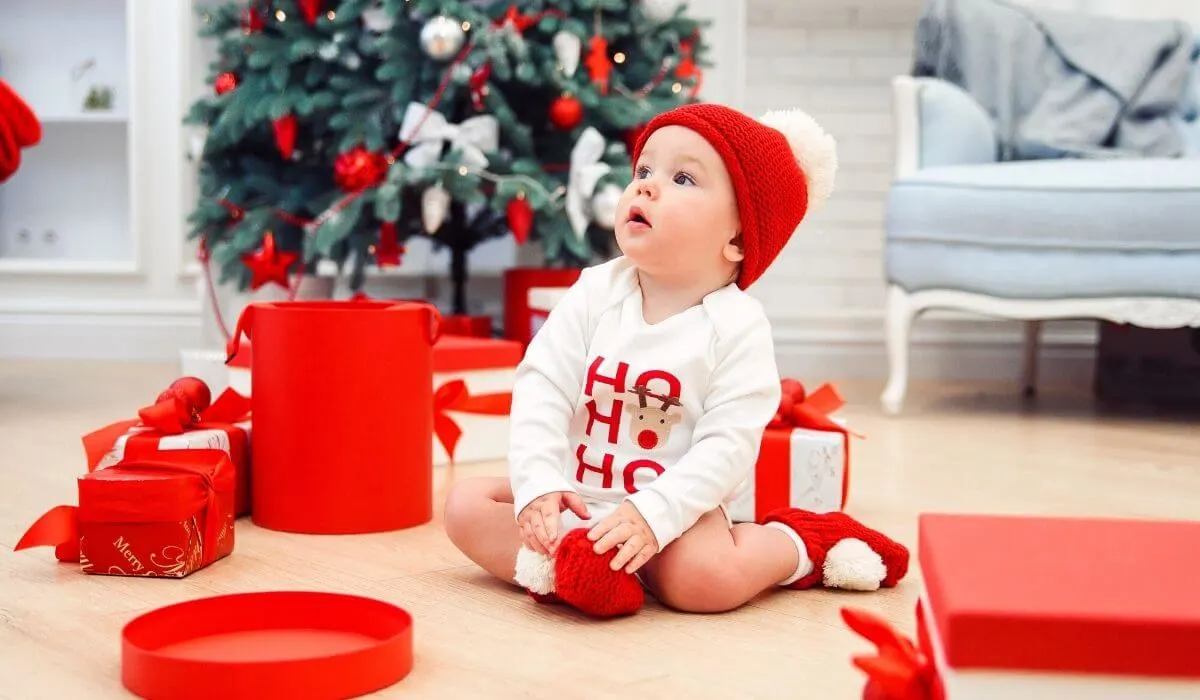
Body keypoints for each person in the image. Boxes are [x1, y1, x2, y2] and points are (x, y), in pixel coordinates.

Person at [444, 103, 908, 617]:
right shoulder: (596, 291)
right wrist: (540, 485)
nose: (645, 186)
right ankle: (582, 562)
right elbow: (542, 385)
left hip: (674, 514)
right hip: (581, 498)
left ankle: (797, 543)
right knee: (464, 507)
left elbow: (727, 448)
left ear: (736, 238)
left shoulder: (736, 327)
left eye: (683, 177)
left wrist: (653, 514)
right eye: (644, 170)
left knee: (704, 580)